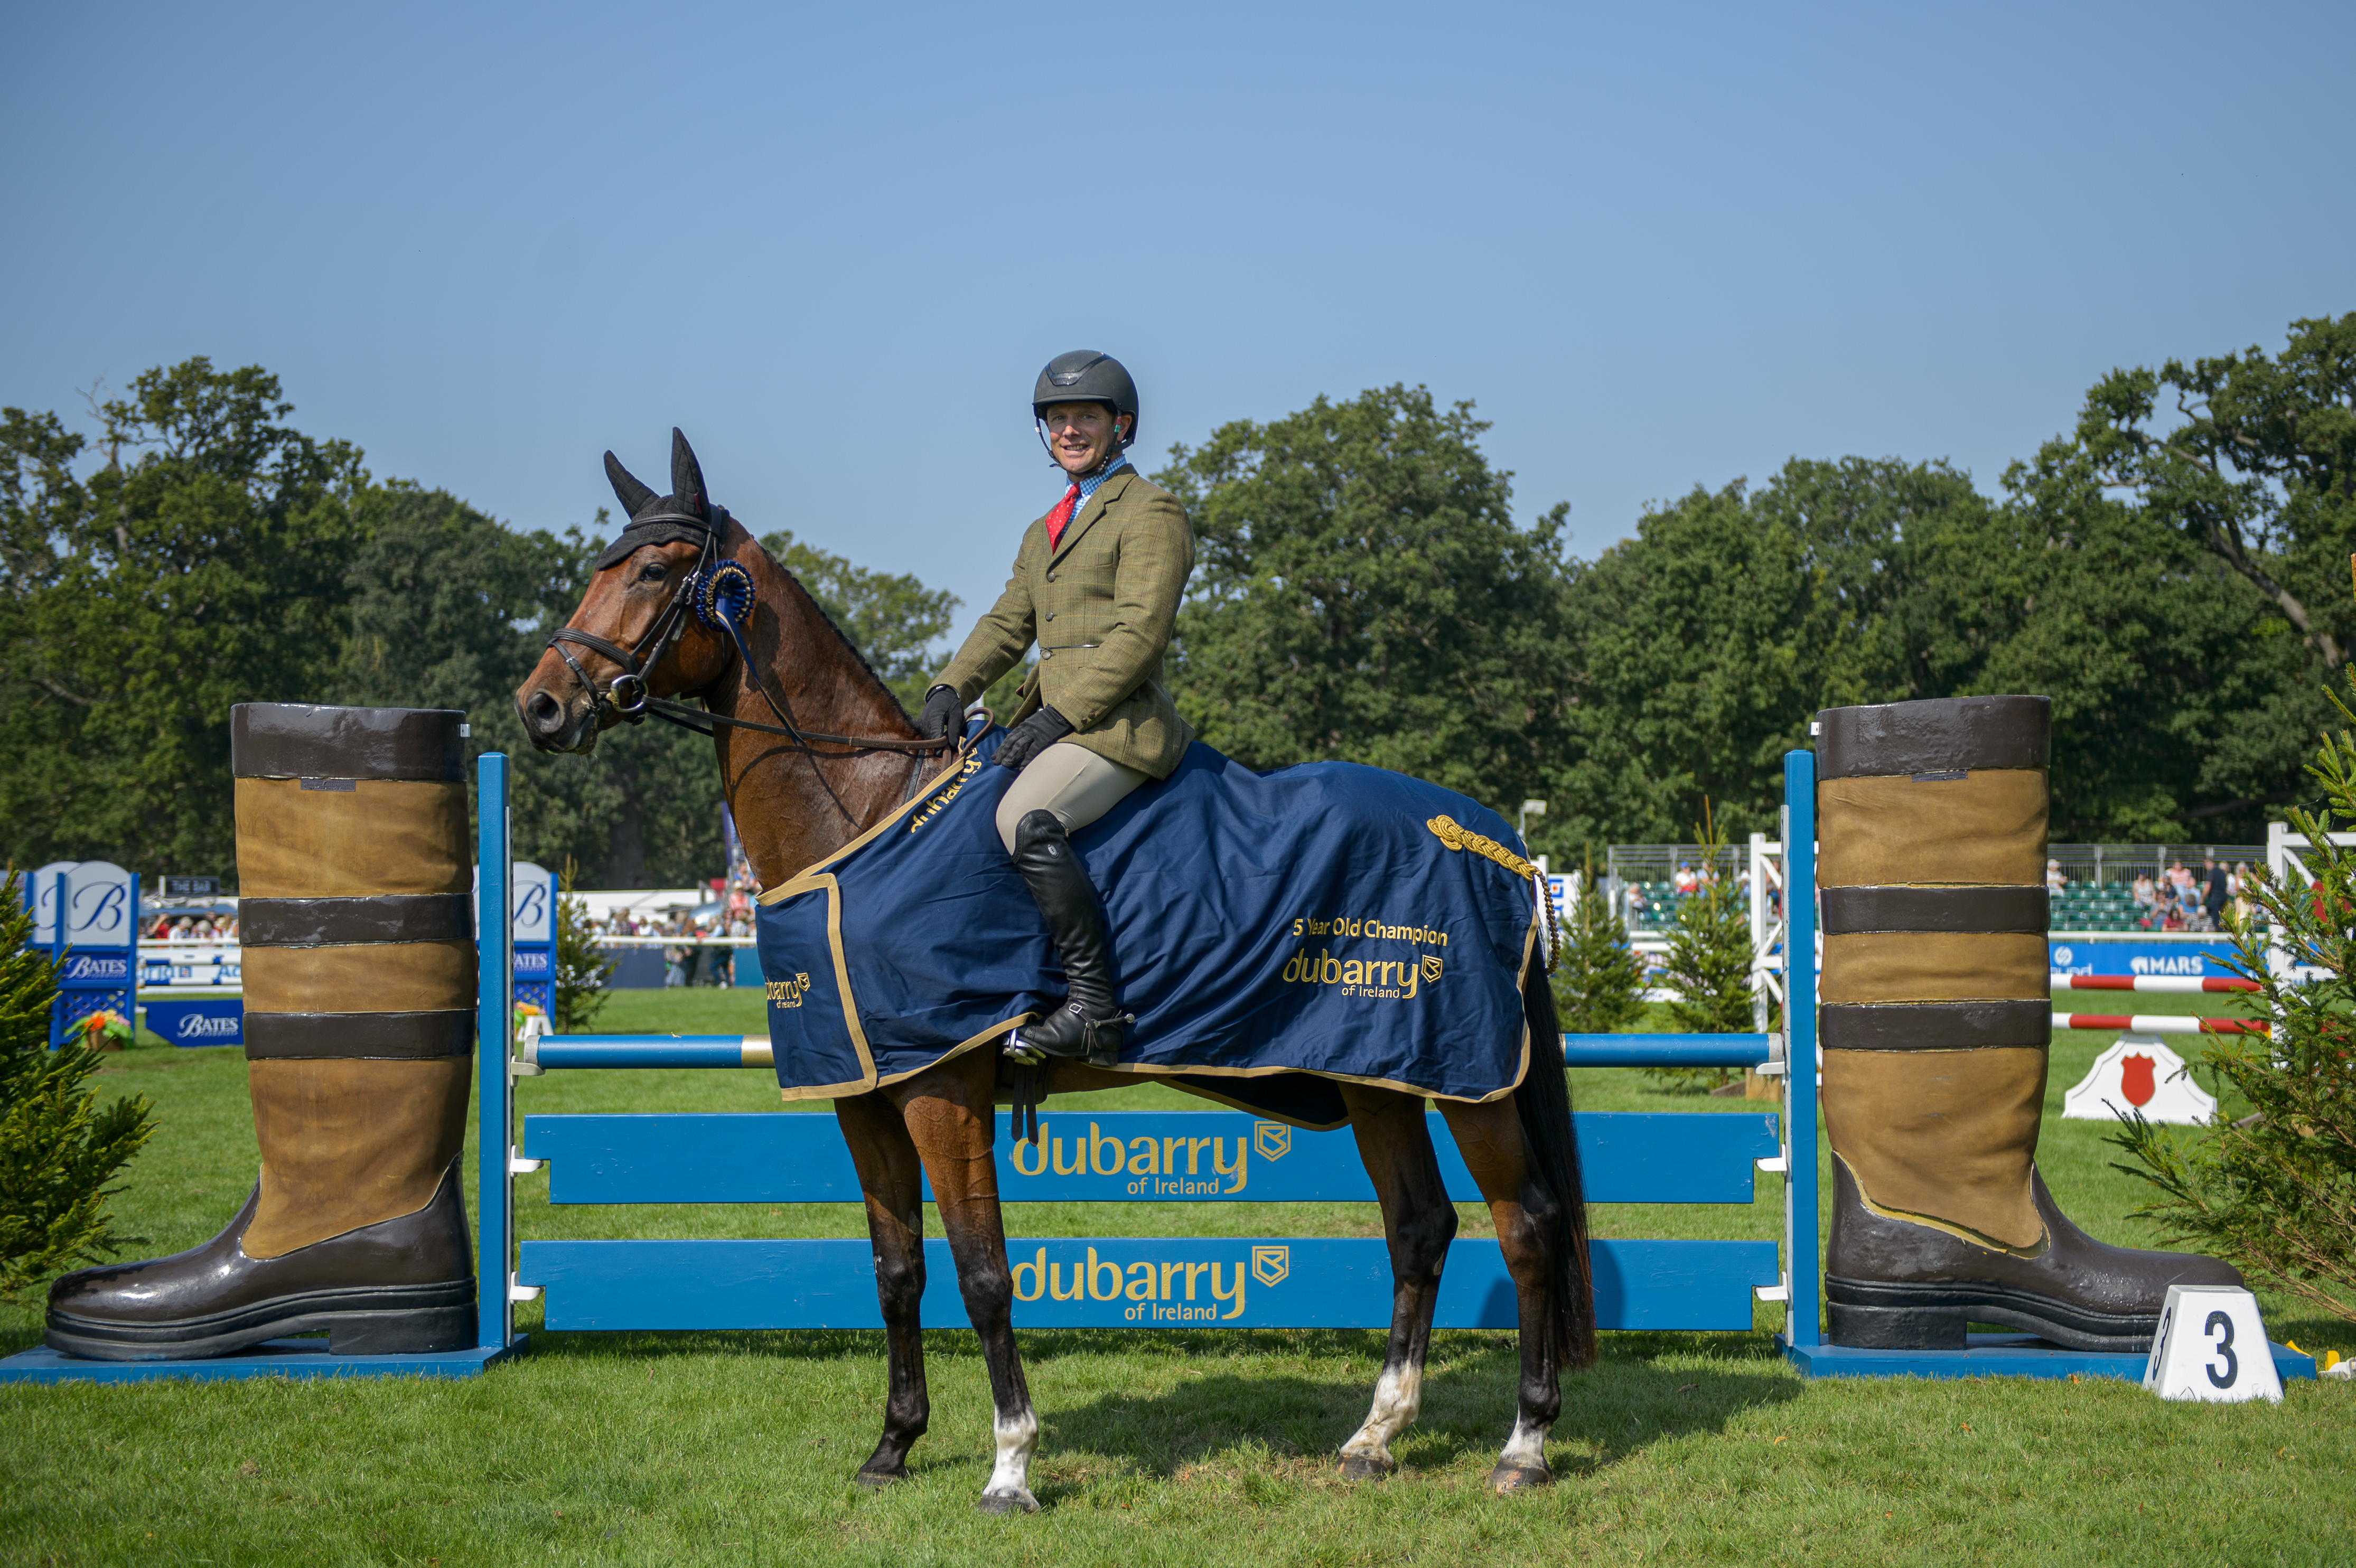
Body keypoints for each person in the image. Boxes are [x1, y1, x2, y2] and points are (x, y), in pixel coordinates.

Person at [913, 351, 1194, 1068]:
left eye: (1085, 417)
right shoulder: (1045, 530)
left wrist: (1059, 715)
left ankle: (1094, 1011)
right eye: (1058, 419)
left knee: (1024, 816)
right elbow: (1008, 624)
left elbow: (1140, 635)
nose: (1069, 430)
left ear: (1120, 426)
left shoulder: (1152, 511)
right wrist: (950, 687)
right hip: (1060, 727)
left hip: (1120, 727)